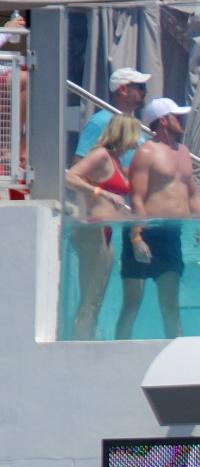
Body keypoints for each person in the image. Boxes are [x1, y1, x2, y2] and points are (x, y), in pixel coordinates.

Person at [117, 98, 200, 341]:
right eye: (178, 116)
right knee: (131, 304)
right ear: (164, 121)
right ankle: (116, 354)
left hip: (170, 235)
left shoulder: (184, 152)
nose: (183, 120)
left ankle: (177, 361)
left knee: (171, 305)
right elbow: (137, 197)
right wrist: (136, 236)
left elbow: (192, 191)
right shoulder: (146, 153)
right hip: (146, 231)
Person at [64, 113, 138, 341]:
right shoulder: (101, 156)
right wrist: (101, 192)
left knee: (96, 300)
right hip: (93, 232)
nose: (138, 140)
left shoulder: (116, 161)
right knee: (90, 299)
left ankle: (86, 344)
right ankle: (79, 351)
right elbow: (70, 176)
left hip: (106, 233)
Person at [75, 66, 149, 162]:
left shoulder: (139, 125)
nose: (145, 92)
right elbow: (79, 164)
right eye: (141, 87)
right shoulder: (99, 122)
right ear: (123, 90)